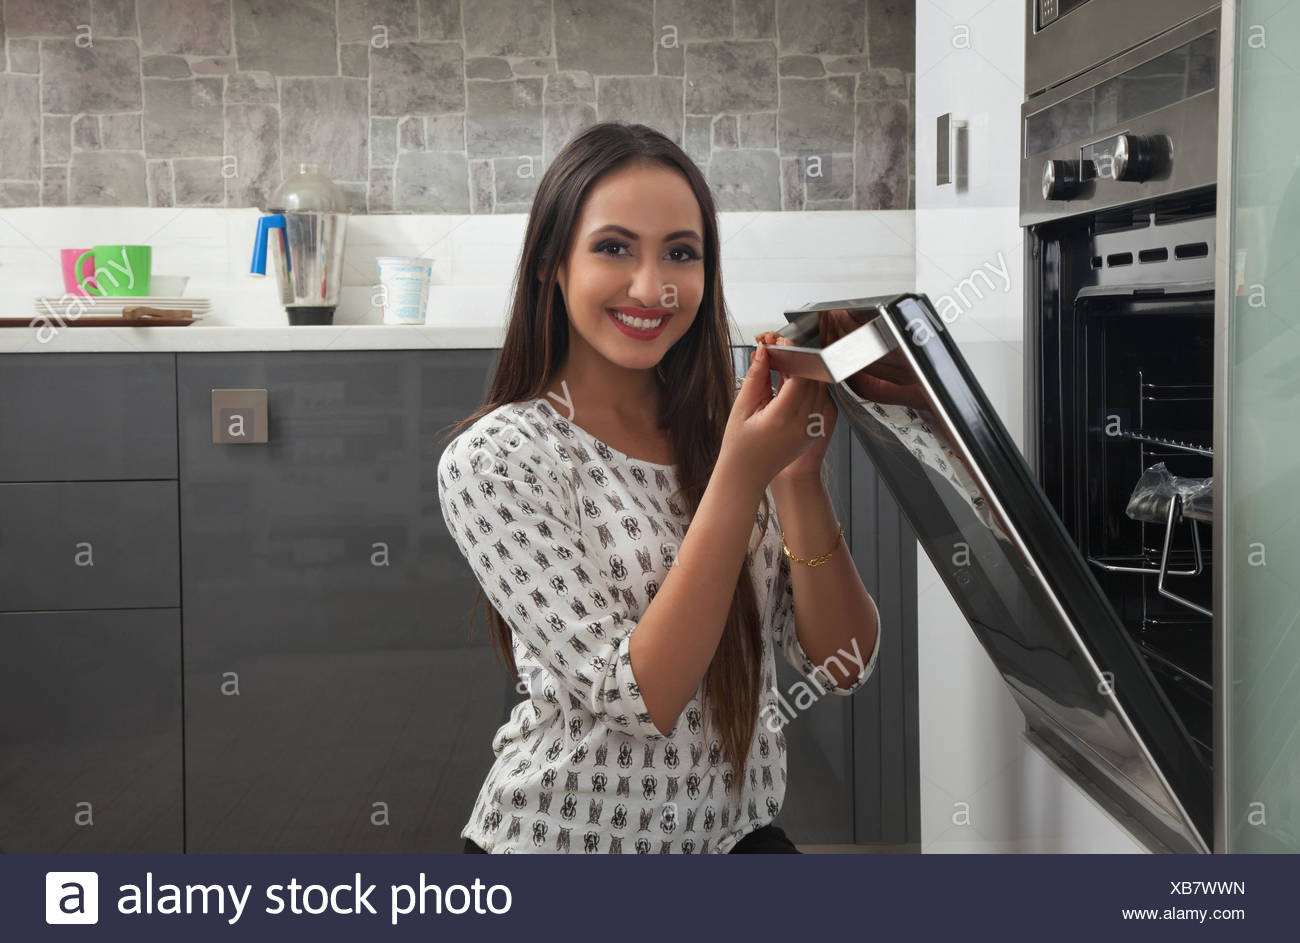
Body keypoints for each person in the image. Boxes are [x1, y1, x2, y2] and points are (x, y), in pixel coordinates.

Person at [436, 121, 881, 854]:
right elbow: (641, 698)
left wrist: (797, 478)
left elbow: (844, 664)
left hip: (735, 842)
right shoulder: (496, 459)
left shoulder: (726, 434)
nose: (653, 287)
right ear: (551, 265)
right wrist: (742, 474)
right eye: (614, 247)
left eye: (680, 253)